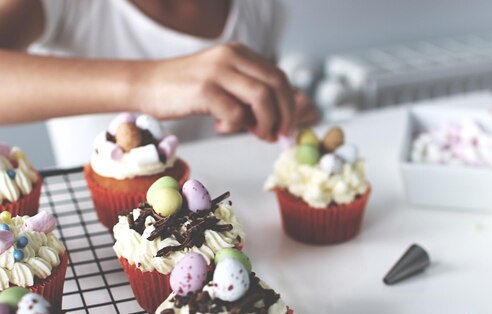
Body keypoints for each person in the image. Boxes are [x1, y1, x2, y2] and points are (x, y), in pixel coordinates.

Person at [0, 0, 319, 166]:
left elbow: (241, 113)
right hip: (98, 244)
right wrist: (148, 83)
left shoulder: (259, 9)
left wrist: (276, 109)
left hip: (225, 224)